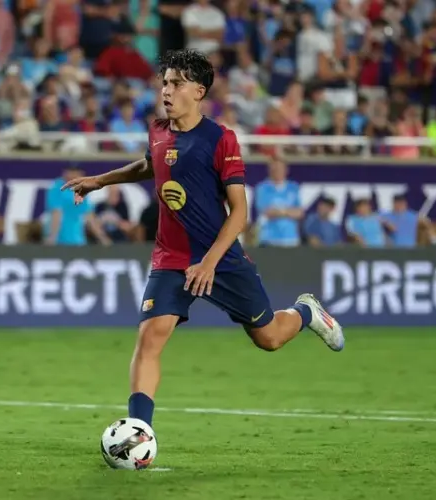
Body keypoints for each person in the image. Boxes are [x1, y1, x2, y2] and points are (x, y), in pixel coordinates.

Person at [62, 49, 344, 429]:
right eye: (164, 82)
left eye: (176, 83)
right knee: (149, 339)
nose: (166, 90)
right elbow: (149, 165)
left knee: (269, 338)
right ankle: (139, 432)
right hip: (171, 258)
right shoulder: (158, 131)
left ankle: (306, 311)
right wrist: (100, 180)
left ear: (198, 91)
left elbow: (240, 213)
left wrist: (209, 262)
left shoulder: (220, 139)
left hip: (219, 259)